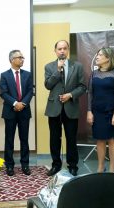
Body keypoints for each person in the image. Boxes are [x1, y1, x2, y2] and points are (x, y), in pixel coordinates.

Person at [44, 40, 86, 176]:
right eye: (59, 49)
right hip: (54, 108)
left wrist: (70, 95)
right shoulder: (49, 66)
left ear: (68, 50)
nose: (62, 51)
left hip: (71, 107)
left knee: (71, 138)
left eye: (64, 48)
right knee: (54, 138)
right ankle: (56, 165)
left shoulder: (77, 66)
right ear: (55, 51)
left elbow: (82, 87)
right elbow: (48, 85)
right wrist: (57, 70)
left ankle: (73, 165)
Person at [87, 47, 114, 173]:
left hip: (112, 112)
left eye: (100, 55)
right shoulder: (93, 73)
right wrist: (89, 111)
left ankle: (112, 170)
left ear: (108, 58)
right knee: (100, 140)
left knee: (112, 140)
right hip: (97, 112)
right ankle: (100, 167)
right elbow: (90, 94)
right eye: (97, 55)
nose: (96, 57)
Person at [0, 50, 33, 176]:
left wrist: (22, 104)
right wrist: (15, 103)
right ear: (12, 60)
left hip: (24, 111)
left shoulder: (28, 75)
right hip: (10, 111)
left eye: (22, 57)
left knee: (24, 139)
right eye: (19, 57)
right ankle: (9, 165)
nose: (22, 59)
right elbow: (4, 93)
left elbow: (30, 91)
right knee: (9, 139)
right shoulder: (4, 75)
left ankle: (25, 164)